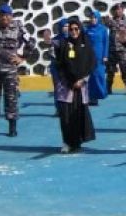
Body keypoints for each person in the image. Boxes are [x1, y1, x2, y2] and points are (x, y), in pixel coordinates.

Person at [0, 4, 35, 137]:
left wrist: (22, 57)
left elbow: (31, 42)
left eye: (7, 15)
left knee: (11, 98)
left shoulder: (19, 28)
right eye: (2, 15)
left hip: (10, 71)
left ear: (11, 16)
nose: (4, 18)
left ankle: (12, 127)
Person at [53, 17, 97, 153]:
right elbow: (59, 65)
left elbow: (91, 64)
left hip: (81, 86)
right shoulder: (63, 44)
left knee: (78, 115)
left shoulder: (86, 45)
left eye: (76, 29)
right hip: (67, 87)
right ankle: (67, 141)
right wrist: (71, 81)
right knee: (66, 115)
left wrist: (82, 80)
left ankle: (77, 141)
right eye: (71, 29)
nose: (73, 32)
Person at [103, 4, 126, 96]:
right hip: (111, 50)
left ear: (123, 10)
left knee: (125, 69)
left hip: (123, 50)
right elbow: (101, 27)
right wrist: (104, 19)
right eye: (116, 10)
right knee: (110, 70)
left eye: (119, 9)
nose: (117, 11)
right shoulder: (110, 21)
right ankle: (108, 88)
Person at [83, 11, 110, 103]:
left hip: (100, 57)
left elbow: (106, 43)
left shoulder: (103, 29)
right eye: (91, 18)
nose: (93, 19)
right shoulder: (87, 29)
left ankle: (101, 94)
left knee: (99, 76)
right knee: (91, 78)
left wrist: (105, 55)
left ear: (98, 18)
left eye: (95, 18)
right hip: (89, 57)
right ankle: (92, 98)